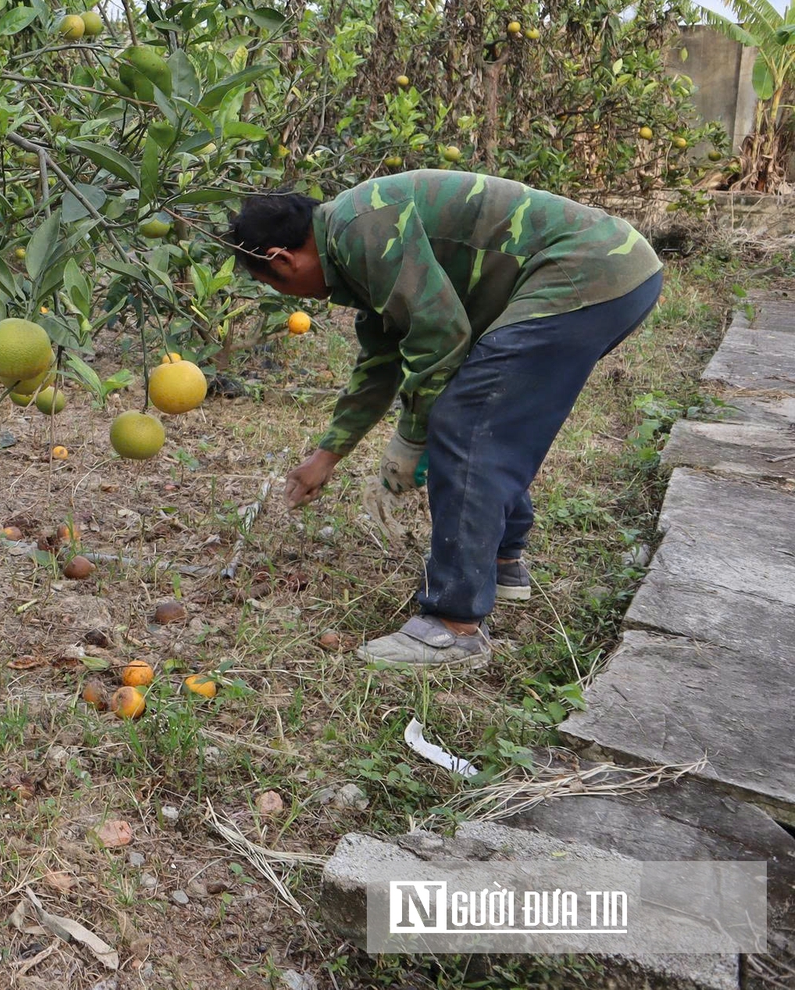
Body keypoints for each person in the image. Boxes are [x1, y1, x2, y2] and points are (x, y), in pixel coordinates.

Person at [228, 170, 663, 667]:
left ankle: (453, 626)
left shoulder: (360, 229)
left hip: (588, 272)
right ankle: (502, 563)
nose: (291, 298)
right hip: (614, 272)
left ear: (281, 259)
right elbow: (380, 362)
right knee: (488, 418)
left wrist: (411, 440)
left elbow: (438, 337)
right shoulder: (351, 243)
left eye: (273, 285)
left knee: (466, 421)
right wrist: (327, 456)